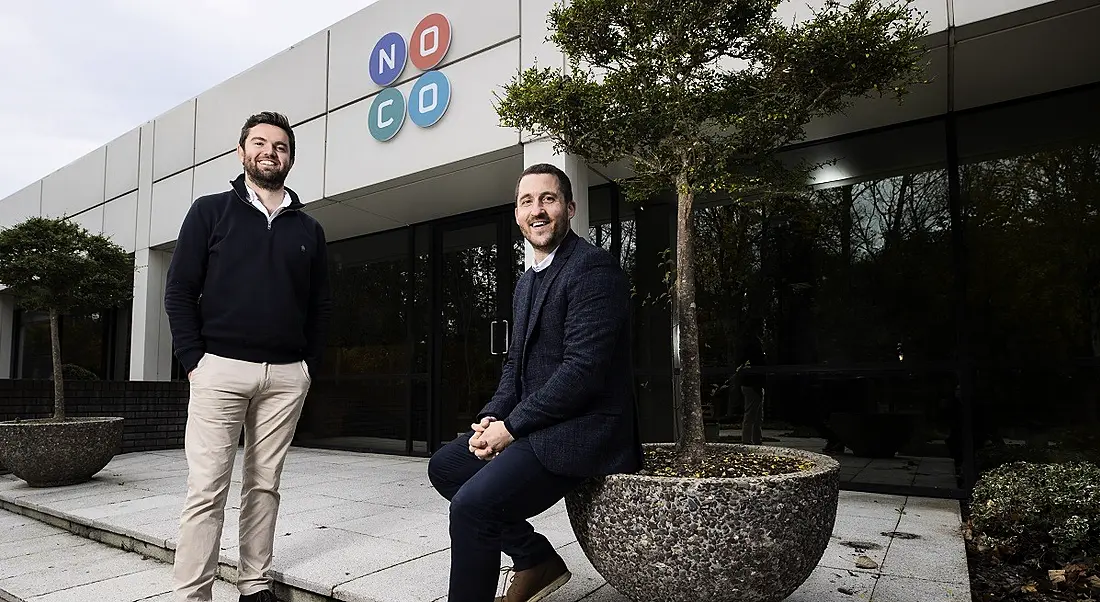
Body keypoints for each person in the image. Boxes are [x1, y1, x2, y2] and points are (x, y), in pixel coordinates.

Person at [427, 163, 642, 602]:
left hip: (584, 430)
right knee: (446, 467)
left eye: (548, 199)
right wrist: (492, 416)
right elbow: (515, 367)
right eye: (528, 202)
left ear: (570, 208)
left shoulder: (592, 269)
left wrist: (512, 428)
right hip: (538, 426)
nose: (538, 210)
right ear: (518, 214)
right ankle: (535, 559)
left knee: (473, 508)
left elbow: (582, 372)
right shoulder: (527, 283)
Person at [164, 111, 332, 602]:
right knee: (206, 490)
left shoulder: (309, 229)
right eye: (259, 143)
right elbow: (179, 291)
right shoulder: (209, 211)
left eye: (280, 146)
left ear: (291, 158)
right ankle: (191, 593)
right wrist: (195, 360)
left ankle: (254, 582)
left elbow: (321, 305)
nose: (269, 152)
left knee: (264, 486)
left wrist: (307, 367)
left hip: (285, 377)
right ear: (242, 153)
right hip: (219, 369)